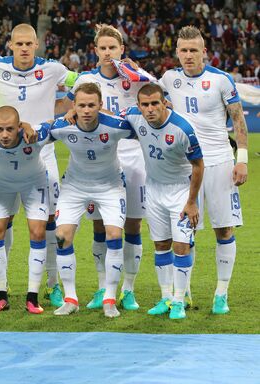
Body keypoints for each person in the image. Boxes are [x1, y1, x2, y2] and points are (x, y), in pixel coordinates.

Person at [0, 23, 79, 308]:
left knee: (49, 225)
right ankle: (0, 287)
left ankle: (52, 285)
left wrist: (71, 106)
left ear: (36, 45)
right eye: (18, 44)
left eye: (28, 44)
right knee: (1, 224)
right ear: (10, 45)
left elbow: (82, 81)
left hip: (43, 156)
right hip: (6, 156)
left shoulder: (54, 69)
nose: (23, 49)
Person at [160, 26, 248, 314]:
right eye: (183, 50)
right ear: (177, 53)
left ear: (204, 52)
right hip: (184, 167)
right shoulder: (169, 80)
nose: (188, 55)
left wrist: (242, 158)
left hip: (221, 163)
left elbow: (238, 120)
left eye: (193, 50)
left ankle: (221, 293)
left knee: (224, 229)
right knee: (186, 233)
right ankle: (182, 293)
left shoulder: (221, 80)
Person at [63, 24, 151, 311]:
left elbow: (158, 96)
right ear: (96, 50)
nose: (107, 53)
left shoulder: (134, 78)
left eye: (113, 48)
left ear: (121, 50)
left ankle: (128, 289)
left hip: (134, 156)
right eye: (103, 48)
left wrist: (138, 72)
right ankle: (103, 288)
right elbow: (71, 109)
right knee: (100, 227)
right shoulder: (87, 80)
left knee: (133, 226)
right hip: (99, 160)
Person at [49, 83, 134, 318]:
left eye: (91, 105)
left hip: (110, 187)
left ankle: (109, 299)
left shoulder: (115, 126)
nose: (86, 110)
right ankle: (71, 299)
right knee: (61, 237)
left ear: (100, 106)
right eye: (81, 105)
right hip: (75, 187)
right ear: (73, 106)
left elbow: (147, 131)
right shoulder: (63, 127)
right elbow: (35, 135)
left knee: (115, 236)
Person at [122, 83, 204, 320]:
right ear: (138, 106)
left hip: (181, 191)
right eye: (145, 105)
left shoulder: (182, 129)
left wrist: (191, 202)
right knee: (160, 245)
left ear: (164, 103)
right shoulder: (133, 116)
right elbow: (106, 116)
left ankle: (179, 300)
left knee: (181, 246)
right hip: (154, 190)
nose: (149, 109)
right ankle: (166, 297)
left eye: (155, 103)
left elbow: (199, 165)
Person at [0, 106, 51, 314]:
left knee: (37, 231)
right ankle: (0, 295)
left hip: (34, 183)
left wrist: (70, 115)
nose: (4, 135)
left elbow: (56, 126)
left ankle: (32, 297)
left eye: (9, 129)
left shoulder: (35, 136)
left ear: (18, 127)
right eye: (0, 129)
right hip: (2, 183)